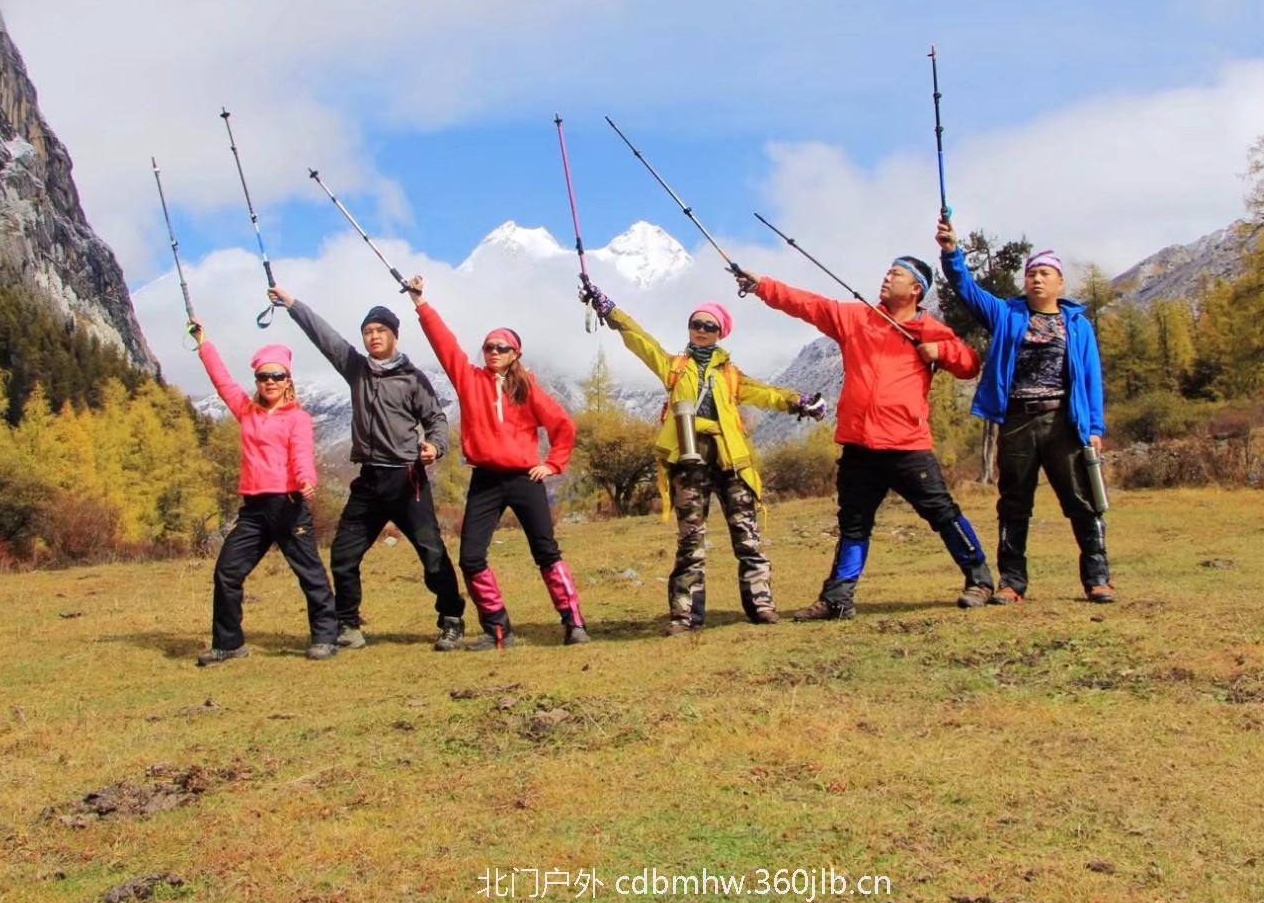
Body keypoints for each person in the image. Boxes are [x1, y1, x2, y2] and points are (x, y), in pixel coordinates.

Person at [733, 254, 995, 618]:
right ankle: (838, 599)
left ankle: (980, 580)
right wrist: (761, 285)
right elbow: (808, 304)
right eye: (887, 272)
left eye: (896, 274)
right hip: (859, 445)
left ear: (915, 289)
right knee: (854, 523)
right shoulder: (857, 318)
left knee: (942, 514)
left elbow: (969, 365)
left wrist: (941, 350)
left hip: (907, 446)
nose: (886, 278)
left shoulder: (930, 329)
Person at [580, 283, 825, 634]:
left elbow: (767, 394)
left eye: (709, 325)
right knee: (690, 541)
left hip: (732, 462)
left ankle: (761, 605)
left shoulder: (731, 375)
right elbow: (640, 339)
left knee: (748, 537)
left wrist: (799, 402)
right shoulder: (673, 367)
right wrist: (609, 309)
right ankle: (685, 616)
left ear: (720, 332)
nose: (701, 330)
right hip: (688, 460)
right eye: (696, 323)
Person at [268, 286, 468, 650]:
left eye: (380, 331)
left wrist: (434, 447)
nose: (373, 336)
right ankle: (349, 625)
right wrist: (292, 304)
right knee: (344, 554)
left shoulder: (412, 378)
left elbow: (436, 419)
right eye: (368, 332)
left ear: (394, 335)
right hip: (369, 481)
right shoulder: (356, 369)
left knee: (432, 553)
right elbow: (324, 336)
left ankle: (451, 619)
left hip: (407, 479)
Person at [406, 276, 588, 649]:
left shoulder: (527, 388)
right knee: (470, 557)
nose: (492, 351)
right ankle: (497, 629)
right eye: (488, 347)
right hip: (485, 480)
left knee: (546, 552)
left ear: (515, 353)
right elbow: (445, 344)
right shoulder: (469, 380)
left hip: (525, 479)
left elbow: (563, 426)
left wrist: (552, 464)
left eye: (501, 347)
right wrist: (420, 303)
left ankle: (574, 624)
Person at [938, 221, 1113, 603]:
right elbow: (967, 289)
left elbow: (1091, 378)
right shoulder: (1006, 314)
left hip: (1064, 420)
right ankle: (1012, 582)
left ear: (1060, 283)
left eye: (1045, 273)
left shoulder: (1078, 325)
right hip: (1017, 420)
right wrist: (951, 253)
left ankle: (1098, 578)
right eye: (1031, 273)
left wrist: (1095, 427)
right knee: (1014, 502)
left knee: (1081, 500)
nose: (1036, 279)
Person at [189, 322, 338, 665]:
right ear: (256, 381)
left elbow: (301, 454)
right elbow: (223, 381)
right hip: (254, 510)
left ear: (288, 380)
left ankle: (326, 637)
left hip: (288, 505)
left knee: (309, 573)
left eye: (277, 375)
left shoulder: (298, 418)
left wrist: (306, 479)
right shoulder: (247, 412)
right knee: (227, 571)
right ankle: (229, 644)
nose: (270, 381)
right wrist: (203, 344)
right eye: (263, 376)